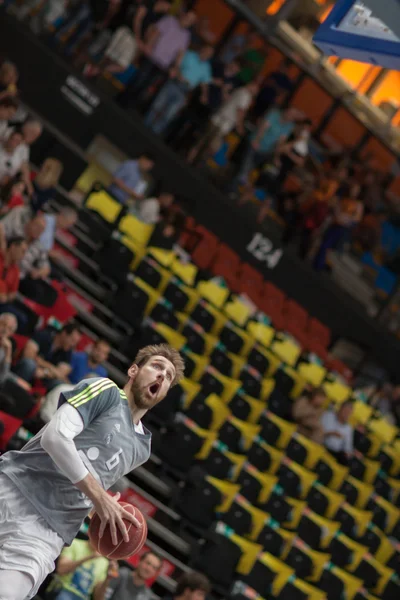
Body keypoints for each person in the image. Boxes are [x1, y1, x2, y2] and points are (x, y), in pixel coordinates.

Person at [0, 343, 184, 600]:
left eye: (168, 376)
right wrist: (99, 497)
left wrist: (97, 509)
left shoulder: (142, 448)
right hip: (13, 488)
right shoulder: (105, 390)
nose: (162, 375)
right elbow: (54, 438)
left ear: (164, 393)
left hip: (48, 532)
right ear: (133, 370)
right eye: (156, 366)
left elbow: (88, 481)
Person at [117, 10, 196, 108]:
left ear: (191, 23)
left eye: (190, 20)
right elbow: (156, 32)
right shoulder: (170, 20)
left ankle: (128, 106)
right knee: (139, 79)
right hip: (152, 56)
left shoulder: (186, 36)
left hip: (163, 64)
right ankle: (120, 100)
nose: (187, 20)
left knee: (146, 85)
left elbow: (180, 53)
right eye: (187, 17)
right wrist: (148, 45)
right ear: (183, 15)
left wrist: (175, 67)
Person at [145, 44, 213, 135]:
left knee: (170, 114)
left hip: (185, 91)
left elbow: (205, 82)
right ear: (203, 49)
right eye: (207, 52)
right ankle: (145, 124)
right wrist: (177, 72)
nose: (207, 55)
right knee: (157, 105)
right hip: (176, 82)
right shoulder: (190, 55)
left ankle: (155, 131)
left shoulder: (206, 67)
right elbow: (177, 63)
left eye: (210, 54)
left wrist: (204, 94)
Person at [188, 81, 259, 164]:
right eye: (256, 89)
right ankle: (199, 161)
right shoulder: (246, 96)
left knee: (203, 139)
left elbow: (228, 101)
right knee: (214, 147)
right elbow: (240, 111)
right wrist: (239, 126)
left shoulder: (239, 90)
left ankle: (191, 158)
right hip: (225, 123)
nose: (256, 92)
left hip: (218, 117)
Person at [13, 322, 82, 386]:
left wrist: (44, 371)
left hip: (44, 375)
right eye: (72, 340)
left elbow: (61, 374)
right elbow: (28, 355)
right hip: (25, 367)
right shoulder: (44, 335)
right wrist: (52, 368)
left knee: (59, 383)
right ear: (64, 334)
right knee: (29, 364)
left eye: (75, 343)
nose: (73, 345)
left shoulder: (68, 351)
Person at [46, 536, 109, 600]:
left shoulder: (104, 562)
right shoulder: (74, 543)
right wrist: (89, 557)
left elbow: (98, 598)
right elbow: (61, 570)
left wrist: (108, 578)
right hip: (63, 589)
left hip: (83, 597)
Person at [95, 550, 163, 600]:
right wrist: (108, 579)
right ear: (139, 561)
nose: (149, 569)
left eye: (154, 568)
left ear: (155, 573)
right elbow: (99, 598)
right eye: (148, 563)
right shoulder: (122, 574)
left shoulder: (147, 594)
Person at [0, 236, 27, 306]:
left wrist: (6, 298)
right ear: (13, 247)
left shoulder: (16, 270)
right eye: (22, 251)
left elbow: (13, 293)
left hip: (2, 303)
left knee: (21, 316)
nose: (23, 256)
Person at [0, 312, 18, 384]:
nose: (5, 329)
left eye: (9, 329)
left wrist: (8, 352)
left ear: (12, 333)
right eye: (3, 324)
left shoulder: (8, 346)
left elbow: (2, 378)